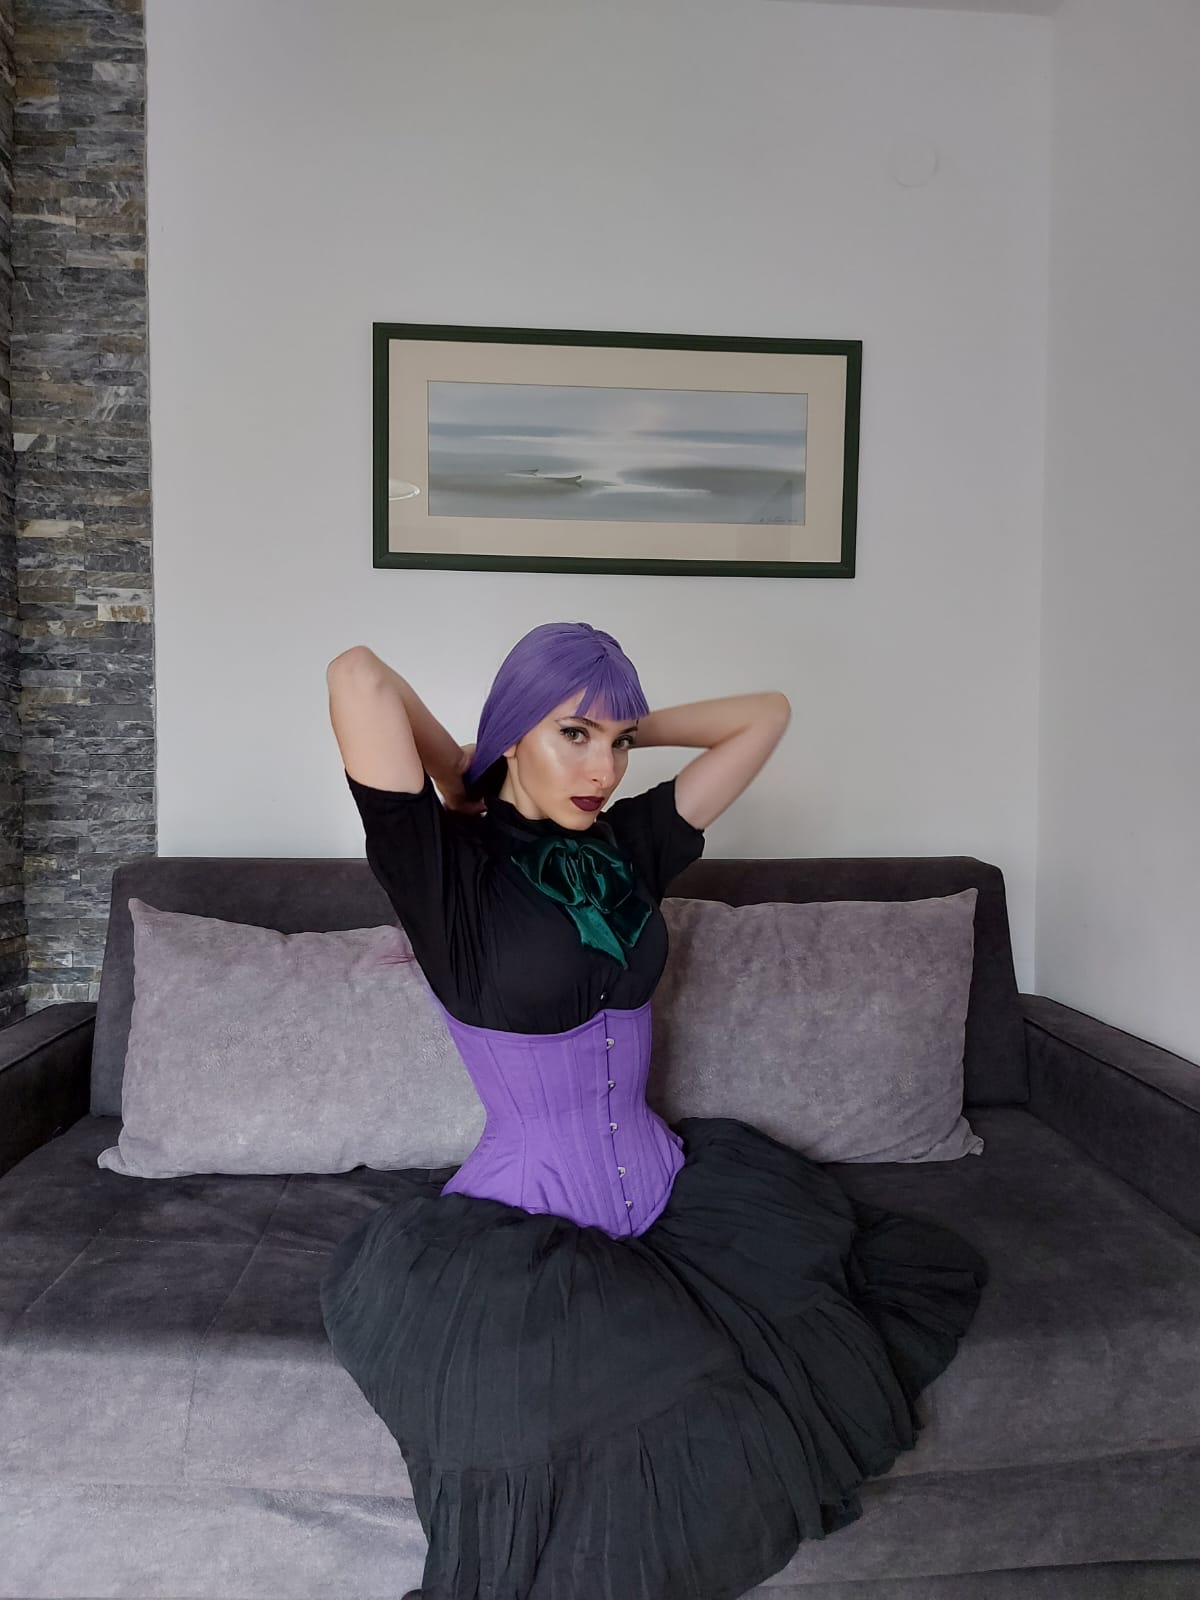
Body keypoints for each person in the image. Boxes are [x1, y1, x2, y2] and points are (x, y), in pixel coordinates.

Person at [319, 621, 988, 1600]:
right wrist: (463, 771)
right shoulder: (444, 869)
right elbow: (358, 676)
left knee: (786, 1358)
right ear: (514, 733)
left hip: (679, 1194)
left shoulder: (630, 842)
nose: (603, 768)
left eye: (619, 743)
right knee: (643, 1407)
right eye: (573, 735)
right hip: (527, 1239)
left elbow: (766, 716)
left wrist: (627, 721)